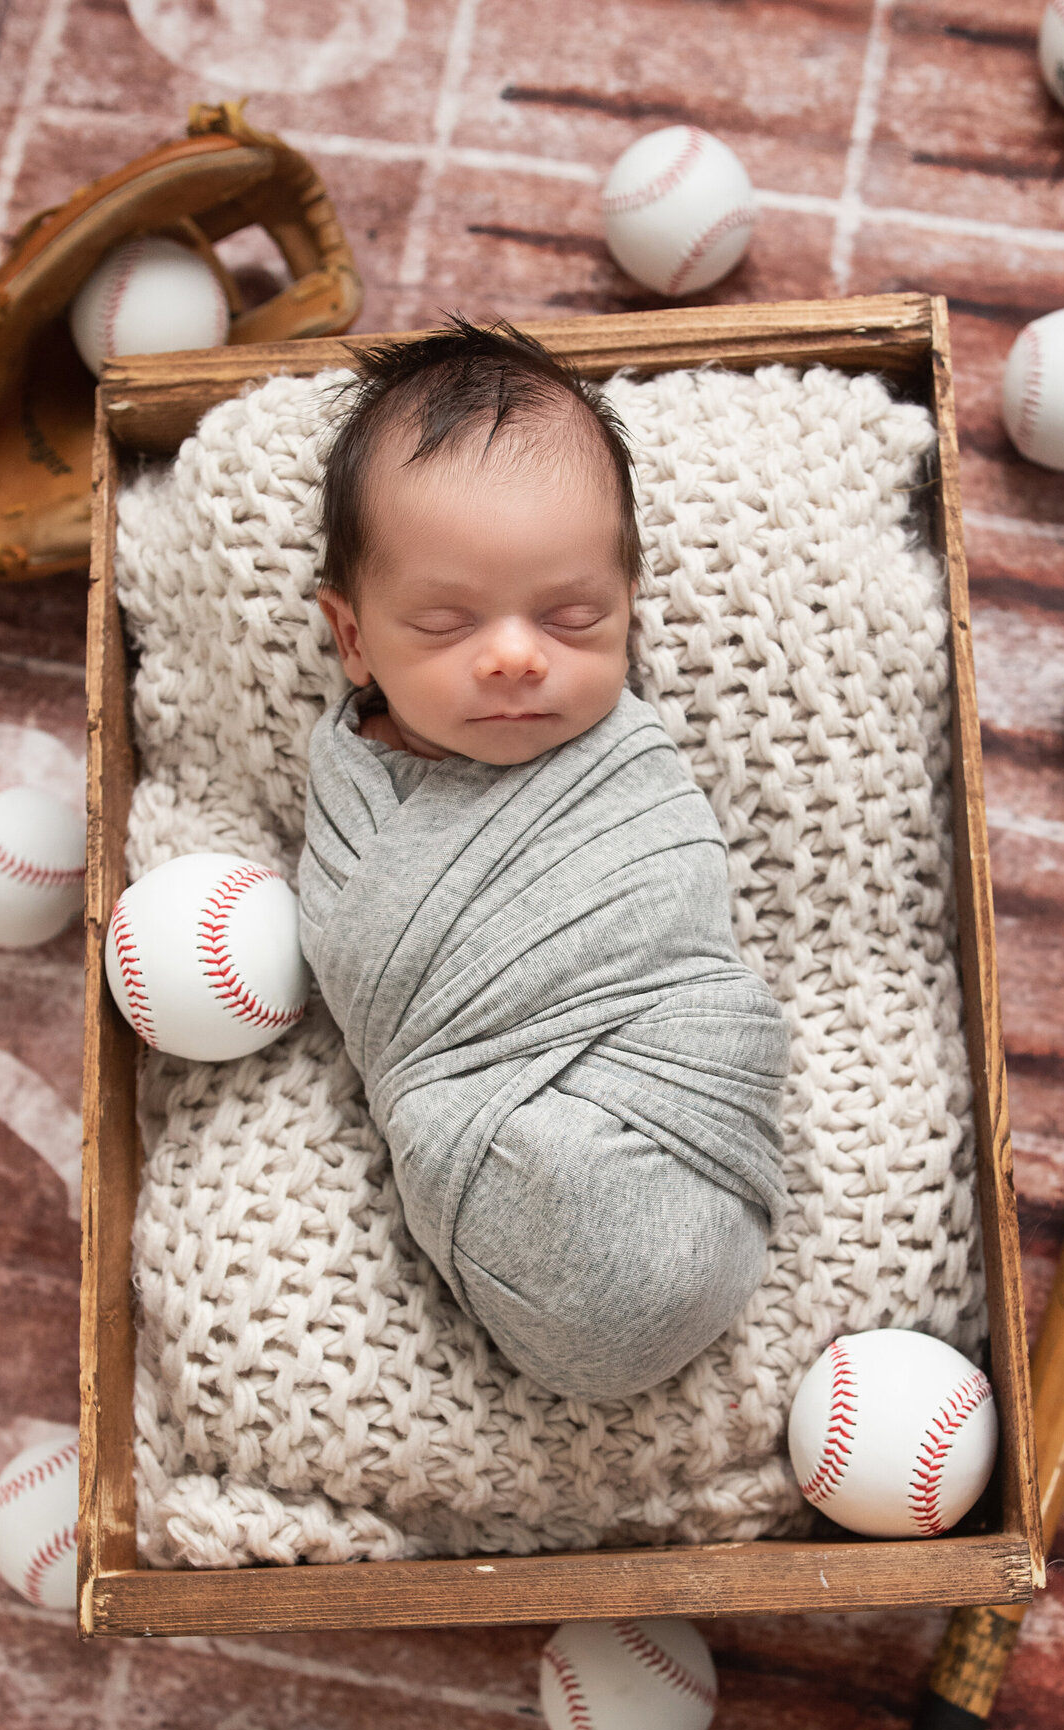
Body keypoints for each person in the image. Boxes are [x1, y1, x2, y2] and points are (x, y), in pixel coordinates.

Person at [297, 318, 789, 1400]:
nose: (518, 654)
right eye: (444, 622)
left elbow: (678, 922)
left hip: (687, 1130)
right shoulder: (351, 798)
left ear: (628, 614)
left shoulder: (628, 769)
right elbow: (357, 967)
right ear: (353, 638)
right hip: (497, 1177)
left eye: (574, 618)